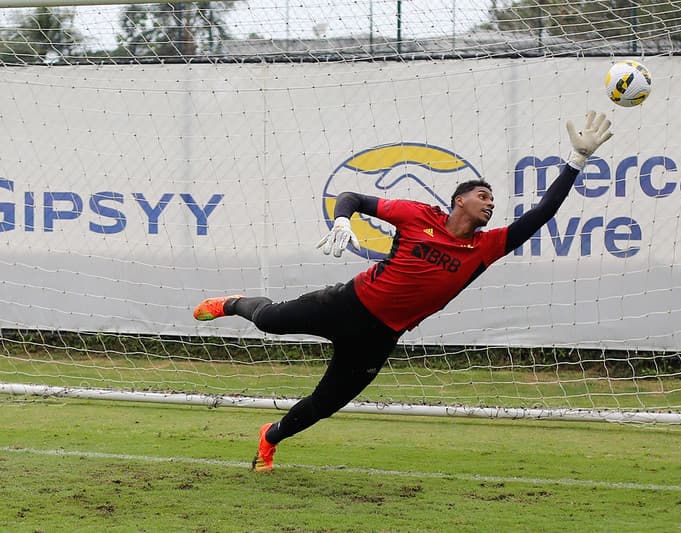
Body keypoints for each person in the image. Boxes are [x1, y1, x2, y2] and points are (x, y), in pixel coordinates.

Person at [193, 111, 613, 472]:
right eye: (482, 196)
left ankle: (270, 437)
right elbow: (351, 196)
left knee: (324, 404)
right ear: (459, 200)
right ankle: (229, 303)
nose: (490, 204)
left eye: (493, 200)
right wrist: (343, 221)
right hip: (346, 304)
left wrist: (577, 160)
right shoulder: (417, 215)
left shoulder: (486, 247)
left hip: (379, 337)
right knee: (268, 321)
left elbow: (543, 213)